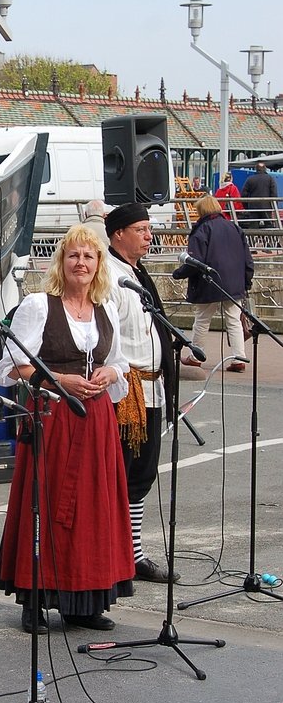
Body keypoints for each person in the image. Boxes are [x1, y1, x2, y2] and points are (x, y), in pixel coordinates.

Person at [0, 225, 133, 633]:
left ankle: (84, 602)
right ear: (61, 262)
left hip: (95, 423)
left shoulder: (106, 309)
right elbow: (11, 368)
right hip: (52, 419)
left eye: (89, 257)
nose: (81, 263)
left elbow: (120, 364)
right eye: (73, 255)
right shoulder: (39, 305)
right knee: (46, 505)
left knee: (94, 509)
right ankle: (34, 600)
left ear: (99, 265)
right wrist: (57, 379)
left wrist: (108, 371)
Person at [106, 202, 178, 585]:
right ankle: (116, 555)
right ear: (119, 233)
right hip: (126, 391)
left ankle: (133, 553)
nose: (149, 236)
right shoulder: (111, 277)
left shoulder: (139, 275)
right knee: (122, 474)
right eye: (142, 229)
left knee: (144, 474)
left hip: (152, 388)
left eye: (149, 229)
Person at [172, 194, 253, 373]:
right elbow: (247, 259)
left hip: (209, 282)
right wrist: (246, 281)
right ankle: (239, 358)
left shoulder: (202, 230)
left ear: (202, 211)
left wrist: (179, 273)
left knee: (202, 319)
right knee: (233, 320)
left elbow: (195, 260)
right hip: (234, 283)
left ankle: (196, 356)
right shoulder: (234, 227)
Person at [240, 161, 278, 227]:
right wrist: (274, 207)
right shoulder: (270, 179)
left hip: (253, 206)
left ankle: (253, 237)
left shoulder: (250, 179)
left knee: (253, 226)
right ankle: (269, 237)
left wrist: (247, 206)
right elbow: (274, 194)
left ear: (256, 169)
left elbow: (243, 194)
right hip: (266, 207)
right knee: (268, 226)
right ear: (265, 168)